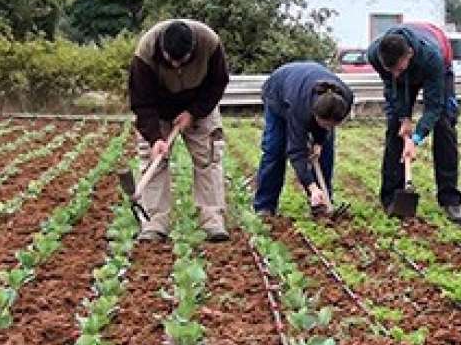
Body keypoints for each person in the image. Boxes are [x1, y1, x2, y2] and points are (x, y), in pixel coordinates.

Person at [129, 19, 231, 242]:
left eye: (182, 61)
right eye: (170, 61)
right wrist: (155, 138)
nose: (176, 66)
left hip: (200, 104)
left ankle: (212, 219)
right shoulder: (145, 53)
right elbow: (141, 103)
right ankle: (155, 222)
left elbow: (218, 82)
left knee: (208, 158)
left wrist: (193, 112)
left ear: (192, 50)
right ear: (162, 50)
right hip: (158, 108)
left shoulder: (209, 43)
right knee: (153, 161)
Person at [367, 22, 461, 225]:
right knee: (394, 127)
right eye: (390, 69)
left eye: (399, 68)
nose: (395, 73)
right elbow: (392, 87)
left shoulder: (431, 57)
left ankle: (450, 199)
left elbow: (434, 107)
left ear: (410, 54)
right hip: (405, 79)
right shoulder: (375, 55)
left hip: (438, 66)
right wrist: (404, 118)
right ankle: (391, 196)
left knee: (444, 125)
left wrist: (416, 138)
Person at [253, 62, 353, 216]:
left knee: (325, 152)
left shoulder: (345, 99)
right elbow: (296, 151)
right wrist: (311, 186)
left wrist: (319, 142)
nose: (328, 128)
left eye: (331, 125)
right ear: (314, 114)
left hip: (304, 85)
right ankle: (265, 205)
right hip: (279, 93)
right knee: (275, 149)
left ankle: (323, 201)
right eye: (324, 124)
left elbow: (326, 127)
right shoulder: (299, 108)